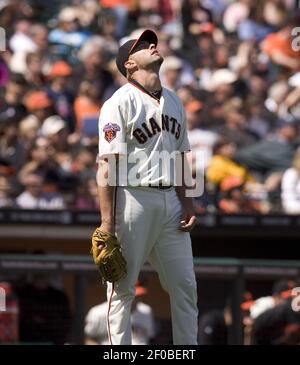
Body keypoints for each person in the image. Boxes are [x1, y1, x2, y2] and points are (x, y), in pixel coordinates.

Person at [94, 29, 198, 345]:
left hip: (171, 202)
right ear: (129, 64)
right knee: (122, 288)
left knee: (185, 286)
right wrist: (107, 222)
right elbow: (106, 164)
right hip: (132, 198)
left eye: (153, 42)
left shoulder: (175, 100)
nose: (153, 46)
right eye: (143, 46)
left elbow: (181, 156)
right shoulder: (119, 103)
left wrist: (188, 201)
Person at [84, 282, 156, 345]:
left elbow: (150, 337)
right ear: (120, 293)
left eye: (138, 296)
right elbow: (88, 339)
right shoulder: (98, 312)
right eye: (131, 296)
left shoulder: (146, 311)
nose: (135, 299)